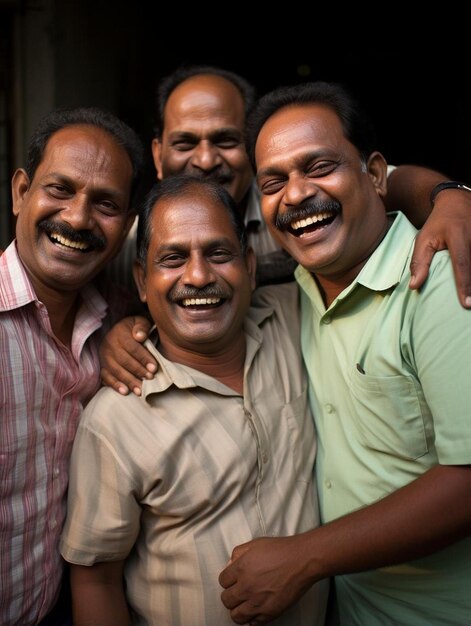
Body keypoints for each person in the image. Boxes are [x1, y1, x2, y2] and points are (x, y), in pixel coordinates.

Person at [217, 81, 471, 626]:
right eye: (274, 180)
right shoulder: (296, 293)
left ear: (375, 175)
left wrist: (304, 557)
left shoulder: (441, 275)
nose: (296, 193)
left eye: (318, 166)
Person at [101, 64, 471, 396]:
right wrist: (122, 332)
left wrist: (452, 197)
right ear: (157, 154)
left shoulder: (288, 204)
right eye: (185, 142)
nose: (205, 160)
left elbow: (388, 180)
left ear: (253, 153)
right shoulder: (133, 243)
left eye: (225, 141)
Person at [59, 175, 328, 626]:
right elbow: (95, 581)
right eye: (173, 258)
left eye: (218, 254)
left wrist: (452, 199)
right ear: (142, 281)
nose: (199, 276)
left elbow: (362, 218)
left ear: (250, 266)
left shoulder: (294, 319)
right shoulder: (113, 420)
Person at [0, 106, 143, 626]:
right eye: (60, 189)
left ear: (127, 225)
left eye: (105, 204)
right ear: (21, 191)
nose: (79, 218)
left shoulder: (117, 318)